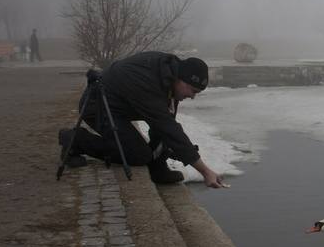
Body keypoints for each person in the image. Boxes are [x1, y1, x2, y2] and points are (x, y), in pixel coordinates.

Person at [59, 51, 227, 187]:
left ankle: (157, 167)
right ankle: (76, 140)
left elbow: (164, 126)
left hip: (120, 107)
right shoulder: (147, 81)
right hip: (98, 107)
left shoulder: (169, 76)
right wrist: (205, 171)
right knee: (138, 155)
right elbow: (168, 128)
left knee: (163, 127)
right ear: (180, 79)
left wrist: (159, 162)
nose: (192, 97)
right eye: (192, 91)